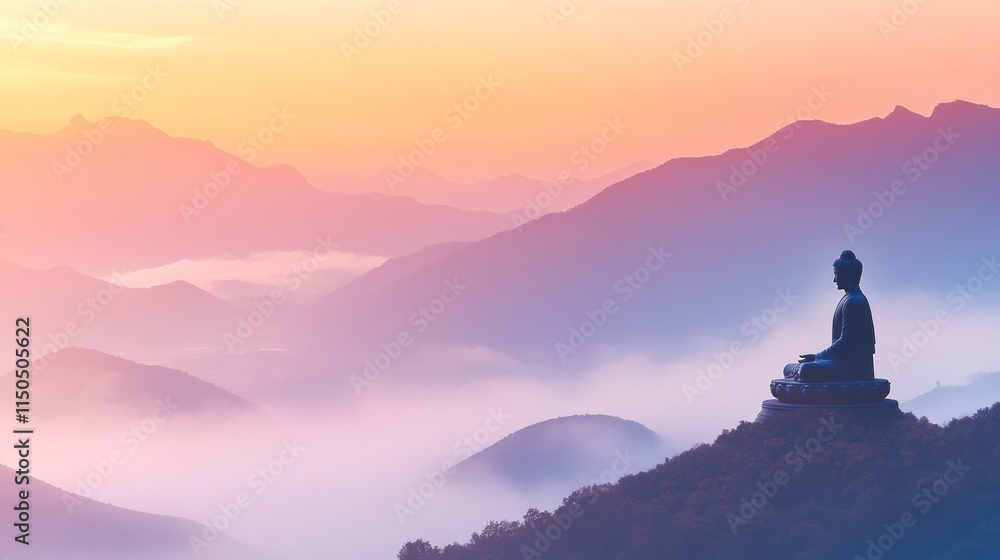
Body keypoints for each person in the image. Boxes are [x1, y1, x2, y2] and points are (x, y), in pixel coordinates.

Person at [783, 250, 876, 382]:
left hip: (853, 367)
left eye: (837, 274)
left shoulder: (854, 301)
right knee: (788, 368)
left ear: (848, 275)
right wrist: (818, 359)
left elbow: (846, 343)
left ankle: (800, 372)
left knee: (806, 369)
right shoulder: (848, 299)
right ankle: (799, 372)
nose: (834, 280)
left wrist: (817, 357)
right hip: (840, 361)